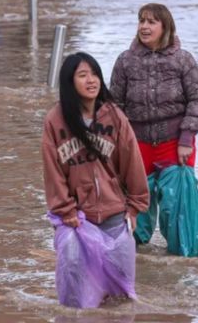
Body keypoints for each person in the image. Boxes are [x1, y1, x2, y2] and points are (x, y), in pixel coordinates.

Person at [42, 53, 150, 299]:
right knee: (76, 298)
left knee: (121, 297)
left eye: (94, 74)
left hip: (114, 216)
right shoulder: (55, 121)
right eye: (83, 75)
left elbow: (132, 161)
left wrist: (134, 207)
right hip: (78, 221)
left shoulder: (114, 116)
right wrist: (66, 210)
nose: (91, 80)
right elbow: (52, 171)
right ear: (70, 83)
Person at [109, 3, 198, 245]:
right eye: (141, 21)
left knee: (179, 212)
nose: (144, 26)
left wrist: (186, 139)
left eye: (151, 22)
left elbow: (197, 101)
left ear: (165, 27)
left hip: (175, 145)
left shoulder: (183, 60)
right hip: (136, 145)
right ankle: (139, 266)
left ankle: (184, 264)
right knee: (133, 214)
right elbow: (115, 107)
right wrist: (119, 145)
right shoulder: (125, 61)